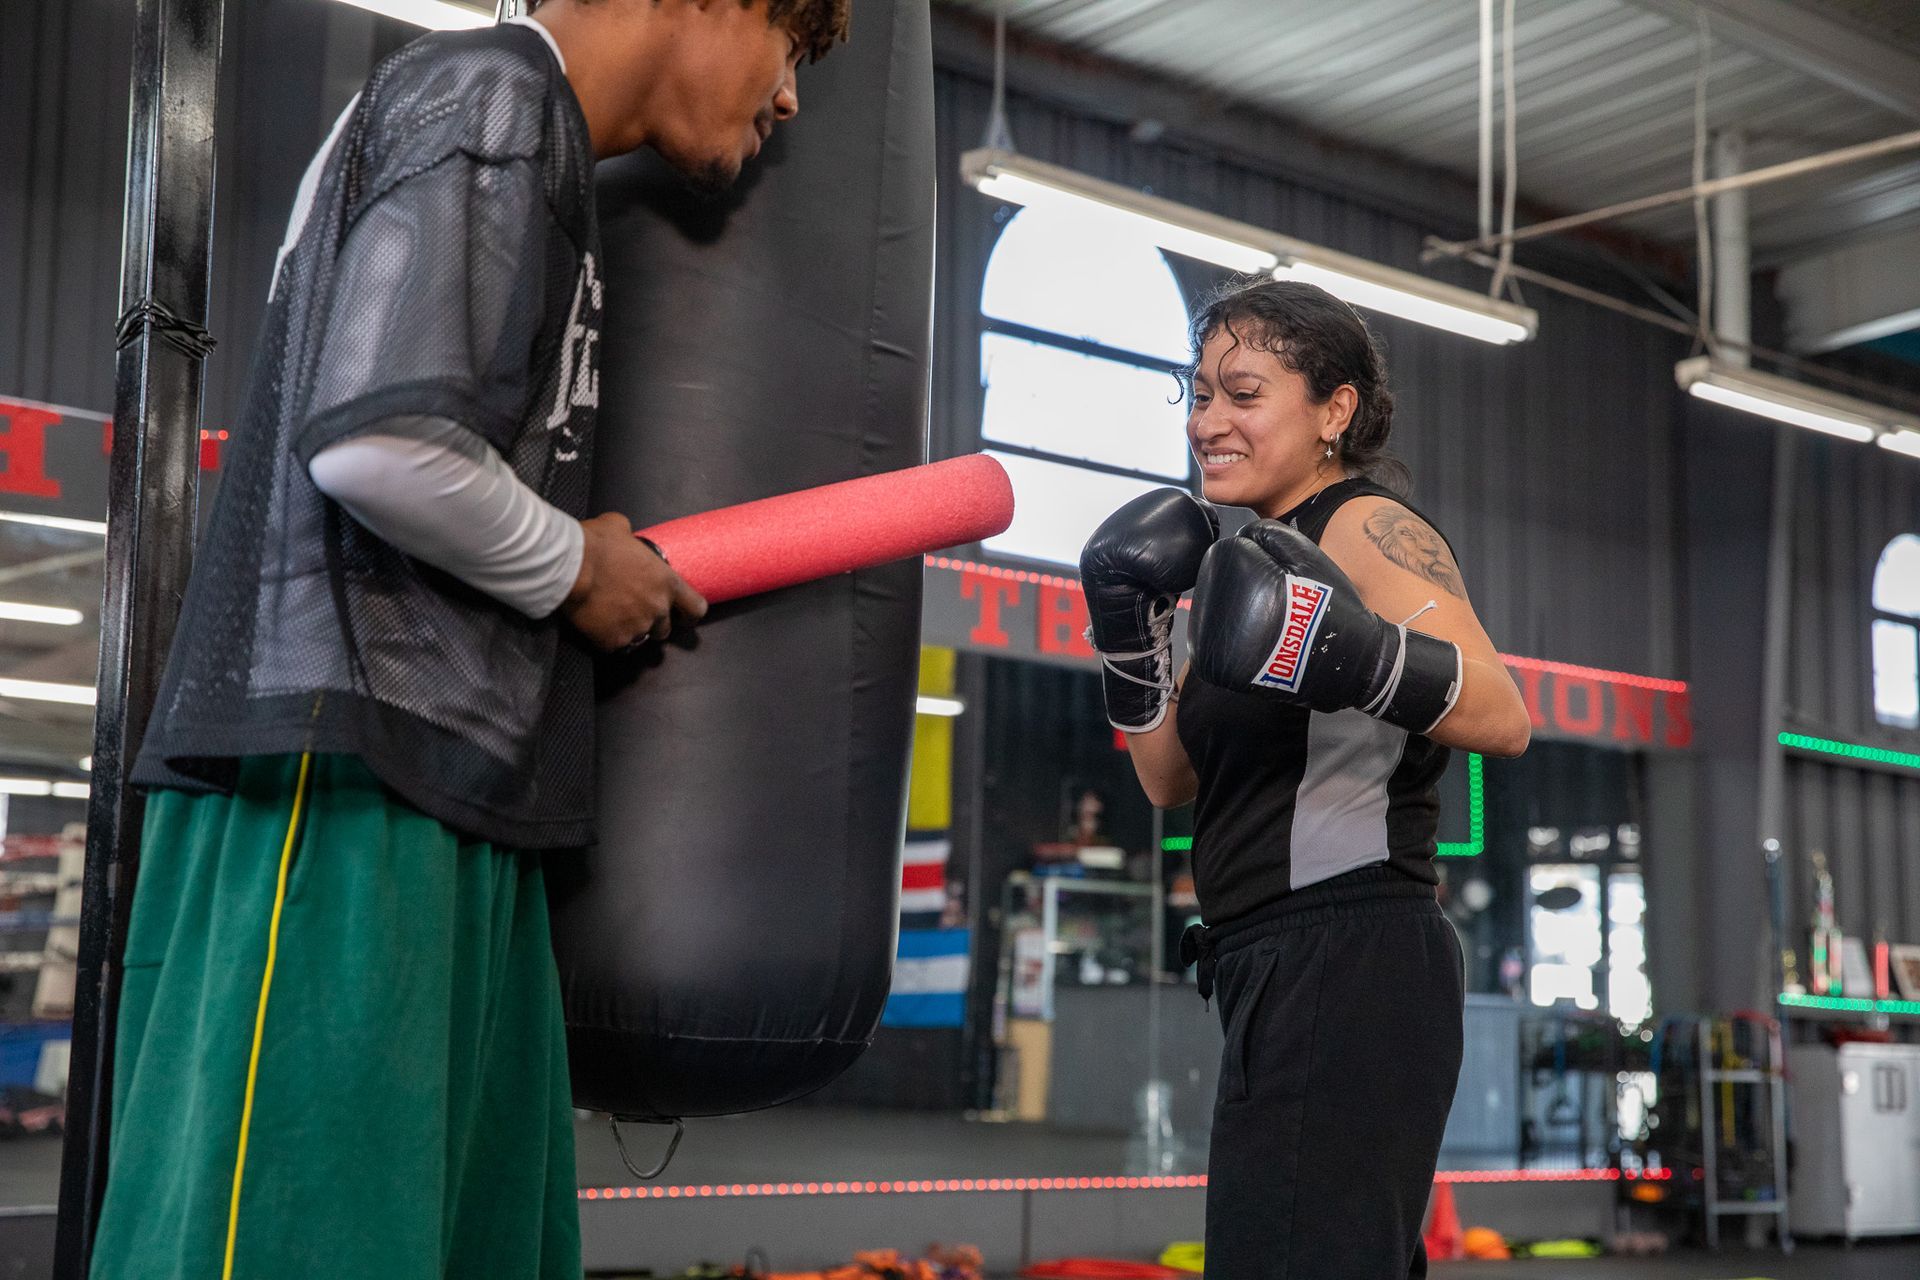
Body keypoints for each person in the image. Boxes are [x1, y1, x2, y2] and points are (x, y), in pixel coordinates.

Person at [91, 2, 849, 1276]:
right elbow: (374, 443)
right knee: (305, 1239)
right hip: (343, 772)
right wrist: (576, 563)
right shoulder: (491, 96)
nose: (790, 102)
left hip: (456, 778)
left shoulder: (529, 137)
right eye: (794, 47)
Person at [1080, 279, 1530, 1278]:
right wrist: (1128, 631)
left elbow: (1503, 713)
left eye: (1242, 393)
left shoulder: (1364, 527)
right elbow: (1168, 777)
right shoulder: (1248, 572)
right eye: (1196, 395)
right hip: (1271, 958)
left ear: (1335, 410)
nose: (1207, 422)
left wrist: (1355, 652)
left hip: (1354, 943)